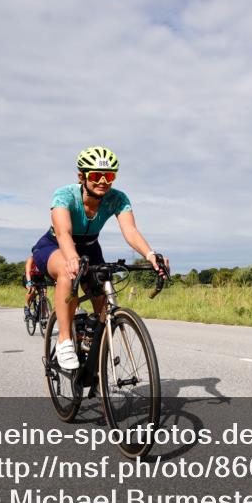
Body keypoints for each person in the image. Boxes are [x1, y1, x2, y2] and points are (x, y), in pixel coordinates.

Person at [31, 146, 169, 370]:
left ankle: (95, 347)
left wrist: (151, 255)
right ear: (81, 176)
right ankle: (65, 339)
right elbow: (64, 232)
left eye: (109, 176)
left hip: (90, 248)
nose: (103, 181)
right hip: (54, 246)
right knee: (68, 271)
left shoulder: (117, 198)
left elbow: (131, 231)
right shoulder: (64, 195)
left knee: (103, 298)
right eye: (96, 175)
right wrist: (72, 257)